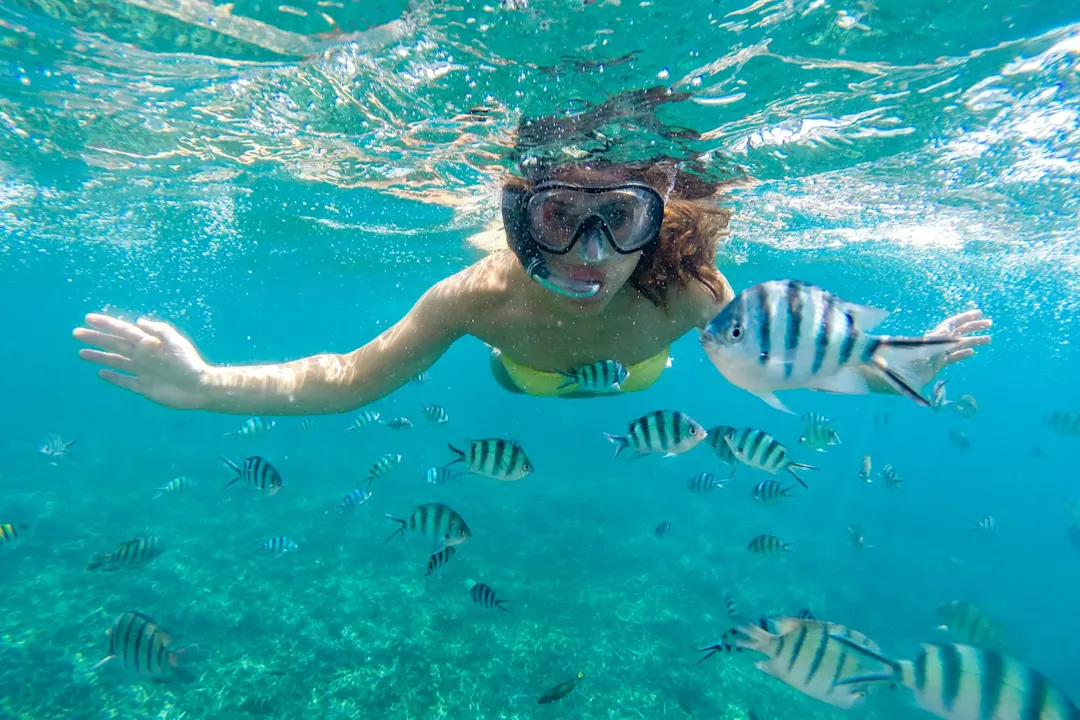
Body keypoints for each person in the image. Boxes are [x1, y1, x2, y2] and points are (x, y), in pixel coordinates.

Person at [72, 157, 990, 414]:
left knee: (640, 379)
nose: (591, 253)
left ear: (657, 223)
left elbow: (798, 357)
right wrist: (204, 384)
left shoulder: (693, 297)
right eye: (558, 218)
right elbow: (351, 376)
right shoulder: (474, 298)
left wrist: (900, 369)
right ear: (519, 222)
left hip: (642, 372)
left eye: (619, 219)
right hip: (524, 369)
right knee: (522, 381)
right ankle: (527, 378)